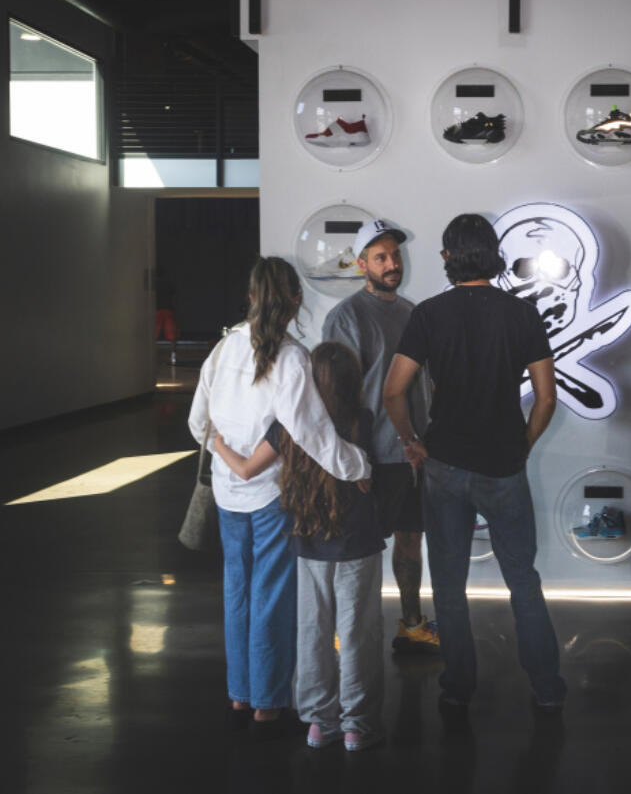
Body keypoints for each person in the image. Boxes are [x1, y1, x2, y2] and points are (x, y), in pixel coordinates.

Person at [383, 213, 566, 712]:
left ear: (447, 258)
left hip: (443, 464)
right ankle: (547, 688)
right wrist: (522, 444)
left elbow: (393, 390)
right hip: (504, 465)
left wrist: (410, 440)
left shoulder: (429, 315)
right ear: (492, 253)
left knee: (447, 587)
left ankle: (457, 689)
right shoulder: (521, 313)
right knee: (523, 581)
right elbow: (546, 399)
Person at [188, 257, 370, 738]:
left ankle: (239, 692)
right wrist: (357, 467)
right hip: (271, 495)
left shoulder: (224, 348)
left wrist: (229, 455)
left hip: (228, 494)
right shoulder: (292, 358)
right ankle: (268, 702)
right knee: (271, 595)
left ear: (250, 297)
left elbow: (196, 422)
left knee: (237, 591)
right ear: (295, 300)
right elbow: (310, 431)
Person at [213, 342, 386, 752]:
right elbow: (369, 475)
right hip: (356, 544)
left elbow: (245, 469)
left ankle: (317, 724)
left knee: (312, 633)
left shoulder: (287, 424)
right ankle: (356, 727)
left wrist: (217, 442)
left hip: (308, 542)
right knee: (357, 633)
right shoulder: (361, 419)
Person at [321, 219, 439, 654]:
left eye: (395, 255)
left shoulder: (411, 313)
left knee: (411, 539)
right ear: (361, 264)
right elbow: (335, 397)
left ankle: (410, 624)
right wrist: (349, 461)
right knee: (359, 551)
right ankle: (347, 632)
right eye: (380, 257)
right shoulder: (346, 317)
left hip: (415, 453)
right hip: (372, 458)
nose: (392, 264)